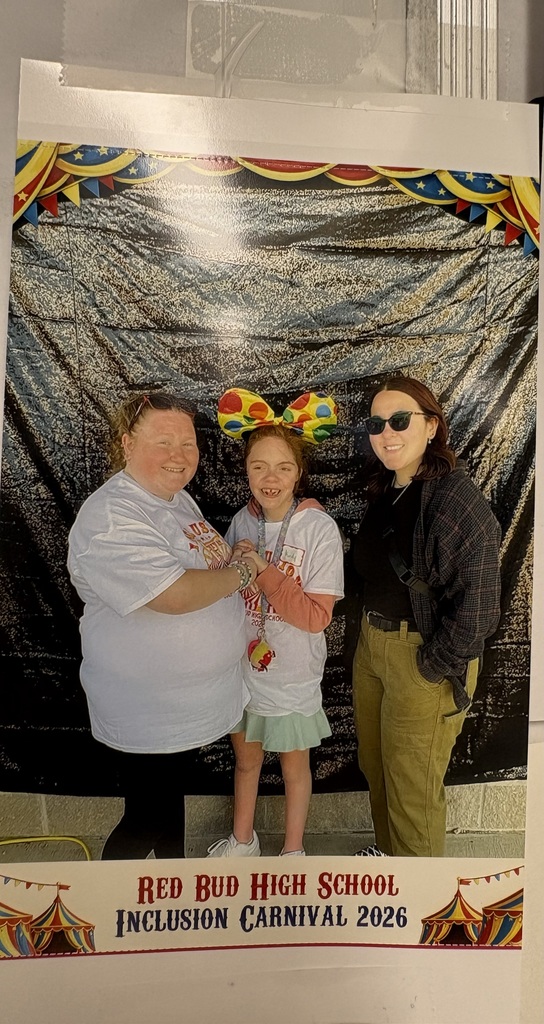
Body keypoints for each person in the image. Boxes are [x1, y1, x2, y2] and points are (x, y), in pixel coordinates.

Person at [67, 392, 259, 859]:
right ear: (127, 443)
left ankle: (168, 896)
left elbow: (197, 567)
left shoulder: (174, 498)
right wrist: (243, 574)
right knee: (147, 817)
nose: (179, 455)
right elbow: (172, 595)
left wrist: (229, 559)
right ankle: (106, 912)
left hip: (185, 705)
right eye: (164, 441)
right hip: (149, 708)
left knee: (167, 807)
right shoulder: (112, 514)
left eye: (188, 443)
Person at [351, 375, 501, 858]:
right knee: (377, 770)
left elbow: (479, 609)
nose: (387, 433)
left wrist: (431, 667)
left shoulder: (456, 499)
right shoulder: (384, 490)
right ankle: (391, 873)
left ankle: (421, 915)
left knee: (412, 789)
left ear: (432, 426)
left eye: (400, 420)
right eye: (377, 423)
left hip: (421, 656)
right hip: (372, 651)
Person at [207, 388, 344, 858]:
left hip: (291, 676)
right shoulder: (240, 523)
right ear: (245, 470)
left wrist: (263, 571)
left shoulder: (318, 529)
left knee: (293, 767)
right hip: (243, 672)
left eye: (283, 467)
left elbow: (315, 615)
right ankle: (242, 842)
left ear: (299, 473)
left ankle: (292, 853)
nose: (270, 478)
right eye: (259, 466)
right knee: (245, 763)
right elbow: (222, 595)